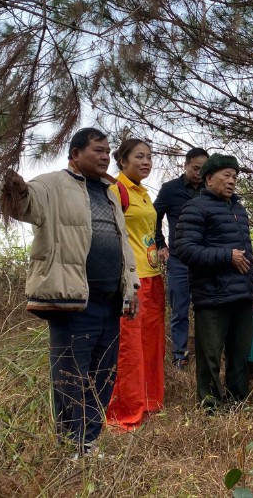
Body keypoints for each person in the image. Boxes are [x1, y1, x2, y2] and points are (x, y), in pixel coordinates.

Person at [0, 127, 139, 457]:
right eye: (97, 151)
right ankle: (71, 443)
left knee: (104, 374)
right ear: (75, 154)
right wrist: (11, 184)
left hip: (110, 300)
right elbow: (23, 206)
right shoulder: (52, 184)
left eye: (107, 151)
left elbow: (123, 244)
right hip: (72, 299)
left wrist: (131, 289)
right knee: (70, 374)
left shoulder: (110, 192)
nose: (105, 157)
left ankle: (89, 440)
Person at [173, 153, 253, 411]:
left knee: (240, 354)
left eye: (234, 176)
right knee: (210, 356)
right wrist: (226, 256)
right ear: (209, 178)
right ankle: (210, 407)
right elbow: (185, 249)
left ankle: (238, 401)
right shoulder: (195, 207)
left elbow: (248, 252)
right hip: (212, 296)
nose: (232, 181)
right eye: (226, 175)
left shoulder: (238, 209)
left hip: (241, 295)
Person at [106, 139, 166, 430]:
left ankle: (150, 400)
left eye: (150, 157)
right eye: (139, 157)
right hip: (132, 279)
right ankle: (124, 412)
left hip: (153, 276)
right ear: (122, 161)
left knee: (151, 343)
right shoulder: (115, 191)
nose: (146, 162)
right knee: (129, 346)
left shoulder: (143, 192)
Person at [153, 147, 208, 367]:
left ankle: (207, 354)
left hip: (206, 260)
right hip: (178, 259)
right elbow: (152, 217)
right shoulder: (170, 189)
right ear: (185, 165)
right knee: (179, 308)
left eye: (203, 170)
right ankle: (179, 355)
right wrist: (160, 244)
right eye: (195, 168)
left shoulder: (209, 189)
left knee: (207, 307)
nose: (198, 173)